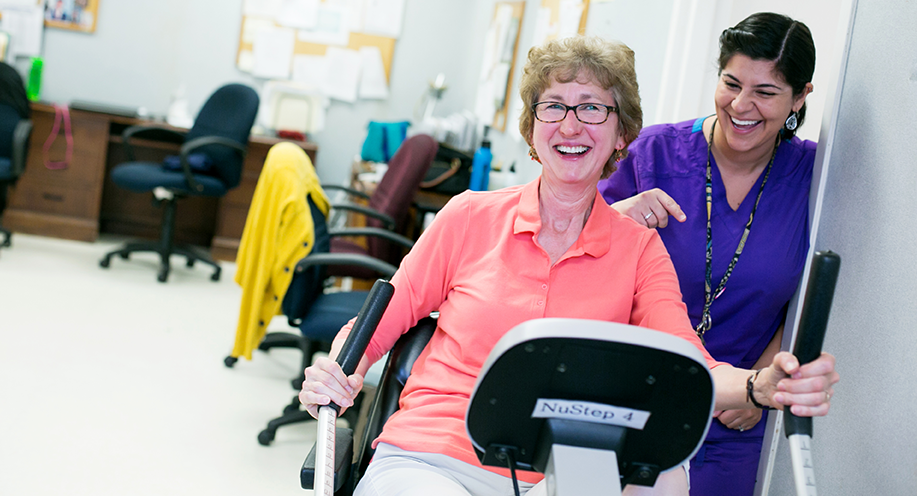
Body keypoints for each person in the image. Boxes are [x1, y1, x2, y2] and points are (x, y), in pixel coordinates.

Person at [300, 35, 837, 496]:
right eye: (553, 105)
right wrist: (337, 370)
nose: (570, 124)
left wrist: (758, 387)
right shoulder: (468, 215)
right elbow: (378, 322)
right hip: (431, 452)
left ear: (621, 133)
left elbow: (689, 364)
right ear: (533, 128)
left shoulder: (640, 251)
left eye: (592, 107)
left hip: (562, 467)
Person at [597, 13, 821, 496]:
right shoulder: (652, 153)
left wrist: (760, 383)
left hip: (734, 415)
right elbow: (572, 249)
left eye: (766, 92)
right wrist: (617, 215)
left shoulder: (813, 178)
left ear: (800, 96)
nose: (741, 105)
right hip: (631, 395)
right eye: (731, 83)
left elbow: (813, 293)